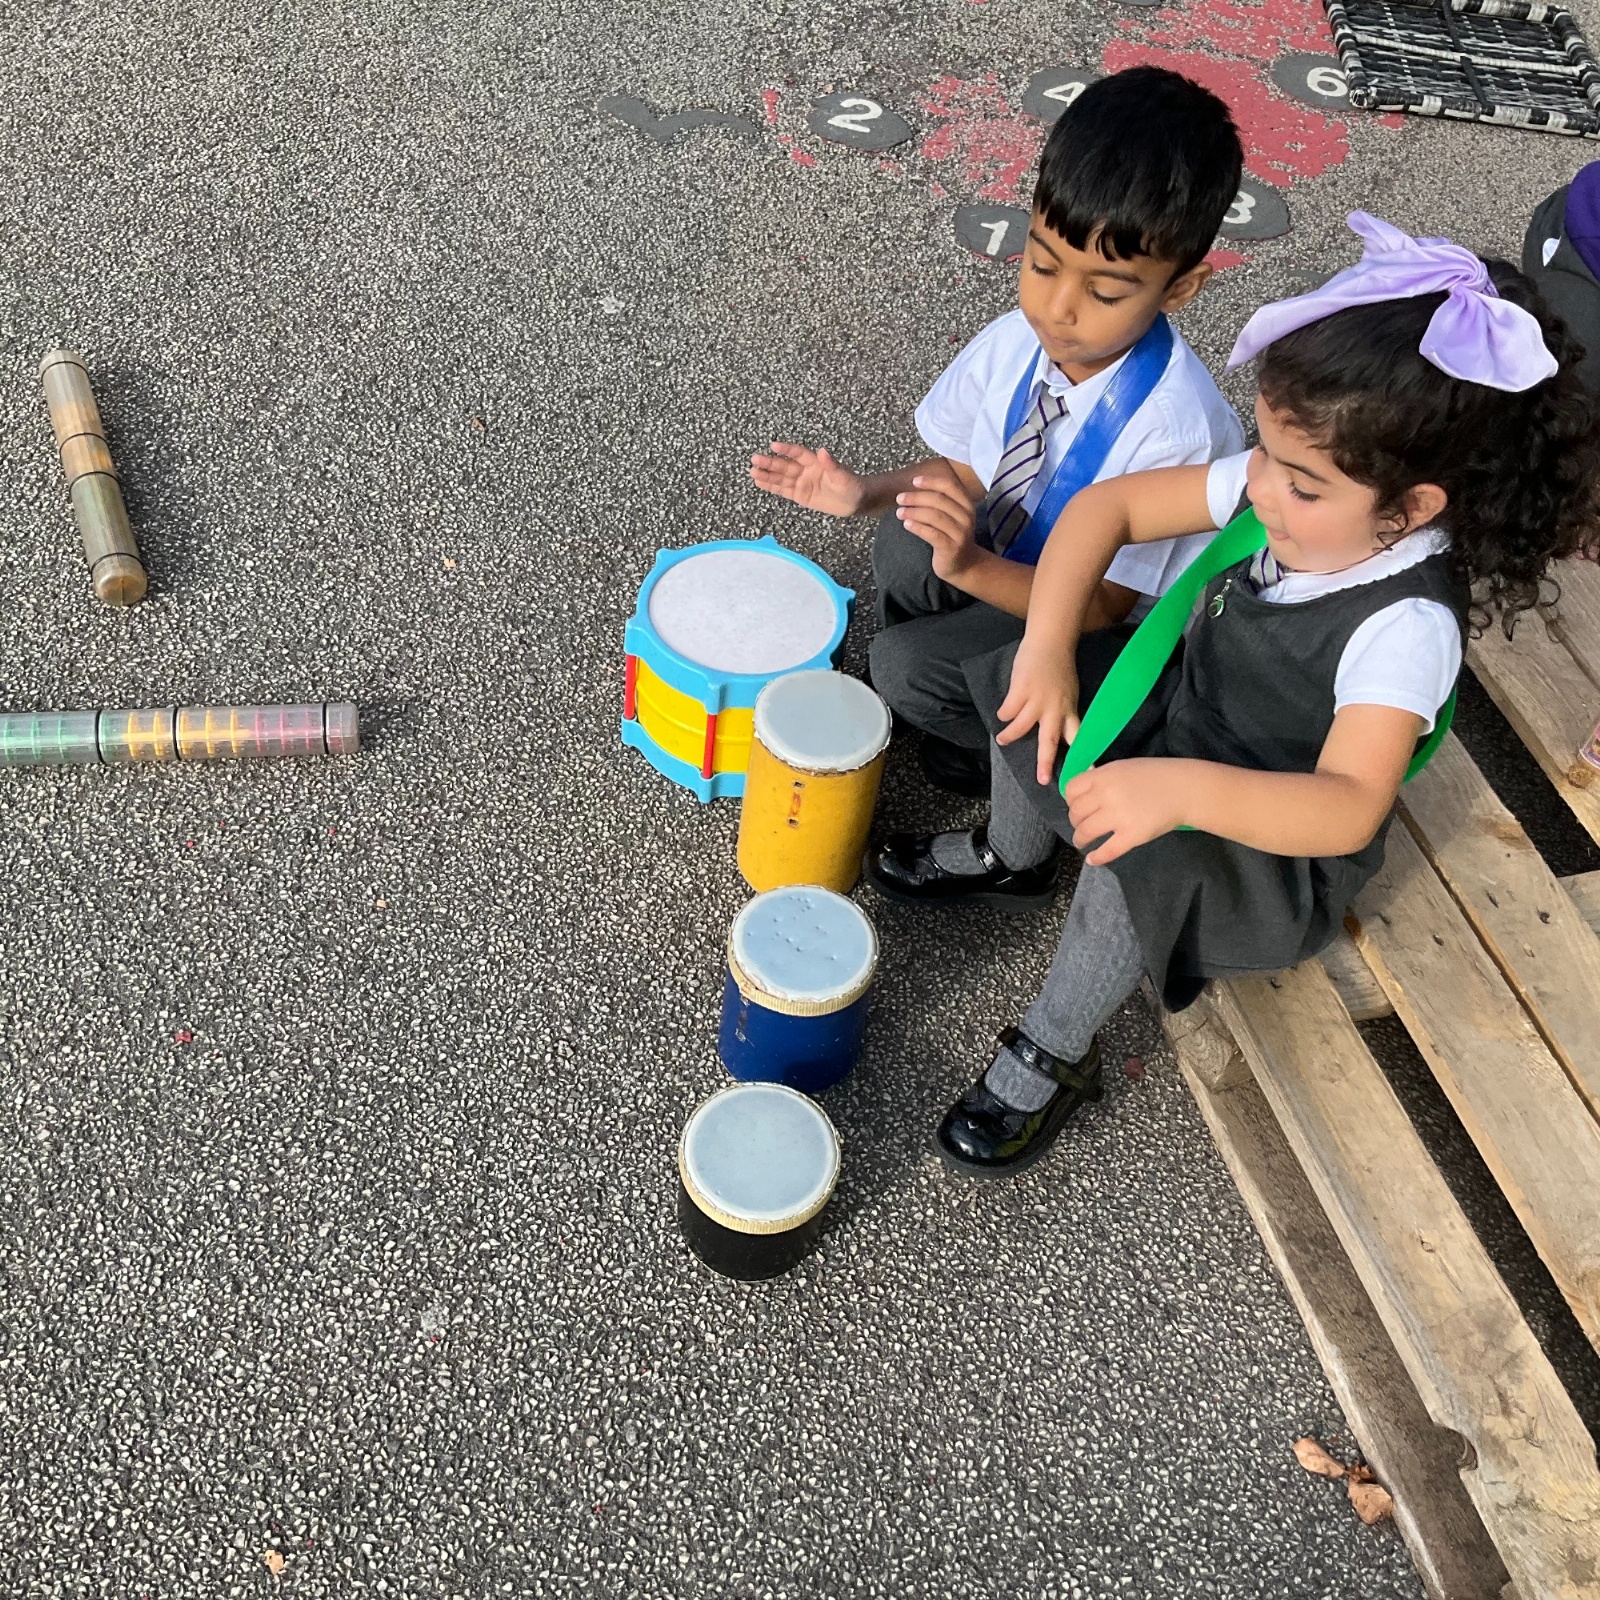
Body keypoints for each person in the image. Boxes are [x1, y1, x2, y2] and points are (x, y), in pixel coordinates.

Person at [866, 212, 1600, 1178]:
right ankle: (1015, 856)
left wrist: (1177, 790)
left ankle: (1056, 1044)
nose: (1262, 491)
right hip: (1189, 711)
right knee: (1027, 684)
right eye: (1264, 455)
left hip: (1263, 823)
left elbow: (1347, 807)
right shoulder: (1299, 485)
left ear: (1412, 509)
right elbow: (1107, 507)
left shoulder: (1406, 626)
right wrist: (1045, 647)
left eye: (1299, 483)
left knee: (1134, 861)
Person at [750, 66, 1244, 796]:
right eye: (1042, 264)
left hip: (1096, 627)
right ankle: (935, 685)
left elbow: (1106, 605)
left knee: (905, 668)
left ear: (1180, 288)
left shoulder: (1177, 428)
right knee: (903, 533)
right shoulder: (1019, 338)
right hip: (1017, 557)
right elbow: (967, 471)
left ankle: (977, 738)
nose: (1058, 309)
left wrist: (969, 567)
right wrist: (866, 493)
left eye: (1104, 292)